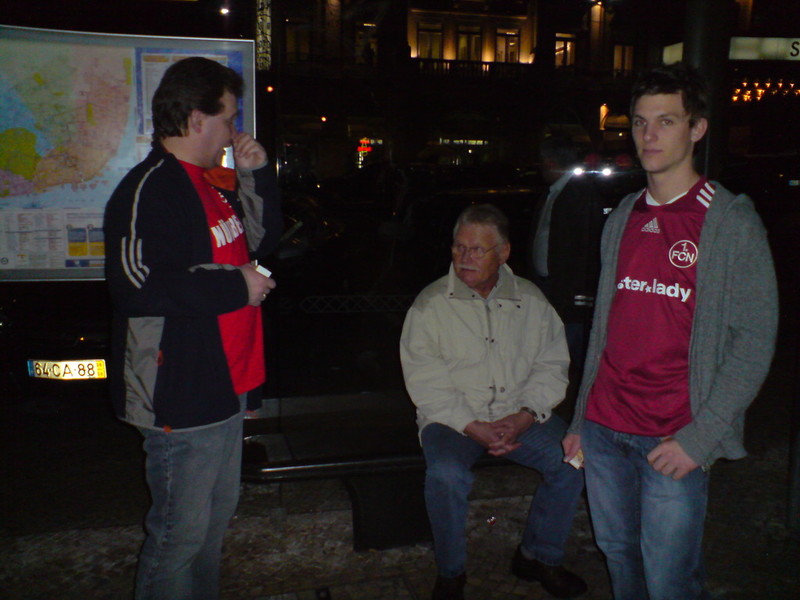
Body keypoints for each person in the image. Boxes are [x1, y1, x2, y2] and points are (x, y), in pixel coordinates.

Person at [562, 62, 778, 600]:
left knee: (669, 579)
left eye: (666, 121)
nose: (649, 135)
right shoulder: (624, 216)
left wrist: (699, 439)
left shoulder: (729, 223)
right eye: (640, 122)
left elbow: (753, 342)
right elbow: (605, 329)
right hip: (604, 429)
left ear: (697, 128)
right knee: (619, 555)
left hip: (672, 438)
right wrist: (582, 418)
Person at [104, 57, 282, 600]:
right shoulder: (150, 189)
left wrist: (256, 174)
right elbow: (138, 286)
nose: (234, 131)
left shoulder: (211, 185)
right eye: (229, 117)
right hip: (180, 393)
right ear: (198, 118)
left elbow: (260, 241)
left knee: (211, 526)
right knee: (178, 538)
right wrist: (236, 287)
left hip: (226, 384)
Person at [400, 204, 587, 600]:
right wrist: (472, 426)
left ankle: (538, 555)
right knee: (446, 476)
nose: (464, 257)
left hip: (519, 413)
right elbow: (425, 381)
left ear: (503, 253)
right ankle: (451, 572)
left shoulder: (531, 301)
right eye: (459, 247)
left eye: (477, 249)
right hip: (453, 420)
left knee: (573, 462)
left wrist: (526, 415)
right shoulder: (431, 304)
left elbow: (552, 365)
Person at [528, 133, 608, 371]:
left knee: (566, 356)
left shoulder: (580, 195)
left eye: (543, 161)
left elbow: (586, 251)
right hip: (549, 288)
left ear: (551, 162)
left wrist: (576, 296)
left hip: (567, 296)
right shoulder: (553, 192)